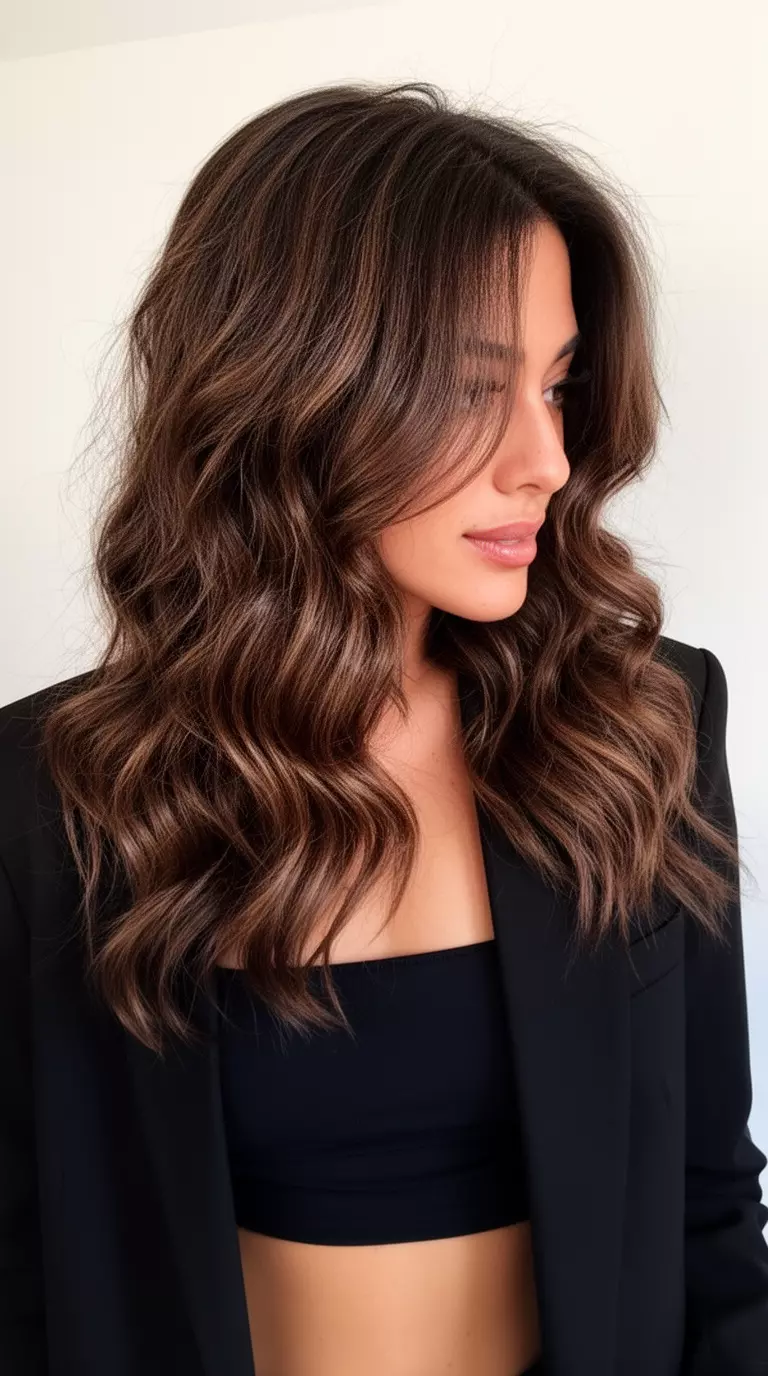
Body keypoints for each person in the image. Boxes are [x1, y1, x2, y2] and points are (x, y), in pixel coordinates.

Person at [2, 79, 767, 1376]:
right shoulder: (50, 796)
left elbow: (707, 1203)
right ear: (298, 391)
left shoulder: (643, 725)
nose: (547, 461)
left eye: (559, 389)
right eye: (477, 390)